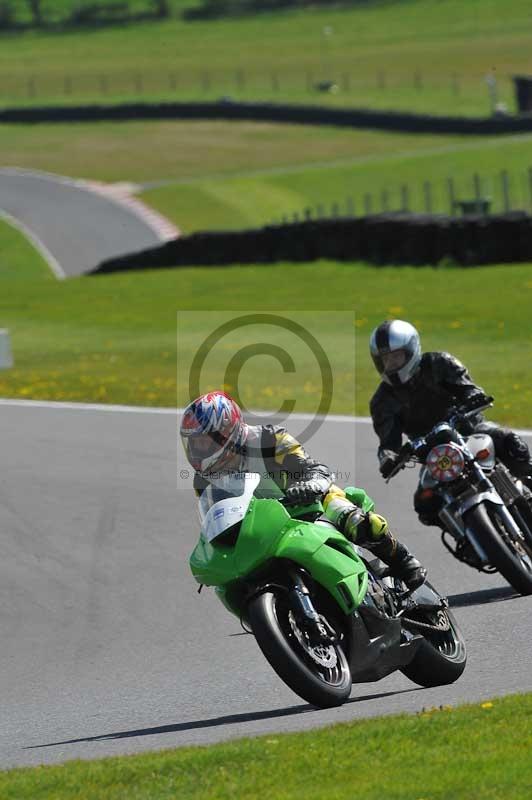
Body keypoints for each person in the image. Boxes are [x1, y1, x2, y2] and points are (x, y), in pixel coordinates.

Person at [180, 390, 426, 590]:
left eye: (206, 441)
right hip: (264, 530)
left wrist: (308, 485)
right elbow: (215, 521)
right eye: (195, 443)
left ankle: (404, 561)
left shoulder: (267, 439)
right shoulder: (203, 483)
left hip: (307, 505)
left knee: (352, 518)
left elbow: (312, 467)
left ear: (227, 430)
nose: (200, 449)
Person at [369, 319, 532, 524]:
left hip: (472, 431)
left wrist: (474, 396)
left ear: (411, 350)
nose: (391, 364)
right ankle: (470, 540)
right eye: (386, 360)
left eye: (396, 357)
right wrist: (388, 457)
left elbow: (467, 387)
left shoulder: (439, 363)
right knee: (425, 507)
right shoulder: (381, 401)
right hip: (435, 456)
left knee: (510, 441)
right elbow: (388, 441)